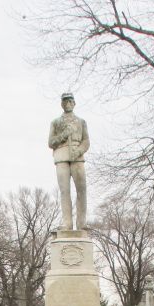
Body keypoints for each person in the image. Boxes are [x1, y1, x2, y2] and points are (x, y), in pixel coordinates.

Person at [48, 93, 89, 231]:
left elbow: (86, 141)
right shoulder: (55, 122)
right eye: (65, 102)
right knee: (64, 191)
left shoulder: (81, 122)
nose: (68, 104)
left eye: (70, 101)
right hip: (61, 156)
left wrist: (79, 151)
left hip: (77, 156)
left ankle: (81, 223)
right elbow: (51, 142)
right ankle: (67, 223)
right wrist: (64, 134)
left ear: (74, 103)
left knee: (81, 189)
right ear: (62, 104)